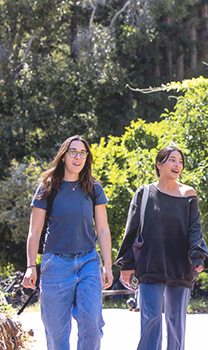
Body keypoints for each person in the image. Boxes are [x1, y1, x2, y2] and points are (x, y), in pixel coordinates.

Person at [114, 146, 208, 350]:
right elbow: (131, 229)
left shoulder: (188, 194)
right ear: (159, 164)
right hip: (150, 264)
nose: (178, 165)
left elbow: (195, 229)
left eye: (180, 161)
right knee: (151, 320)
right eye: (172, 160)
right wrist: (126, 264)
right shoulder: (145, 193)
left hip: (180, 265)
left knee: (176, 322)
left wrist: (197, 256)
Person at [22, 135, 113, 350]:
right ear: (63, 156)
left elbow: (103, 229)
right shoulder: (48, 187)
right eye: (73, 152)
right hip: (55, 265)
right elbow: (34, 231)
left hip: (88, 262)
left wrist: (107, 265)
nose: (78, 157)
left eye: (83, 153)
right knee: (57, 334)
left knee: (92, 323)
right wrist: (30, 266)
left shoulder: (93, 188)